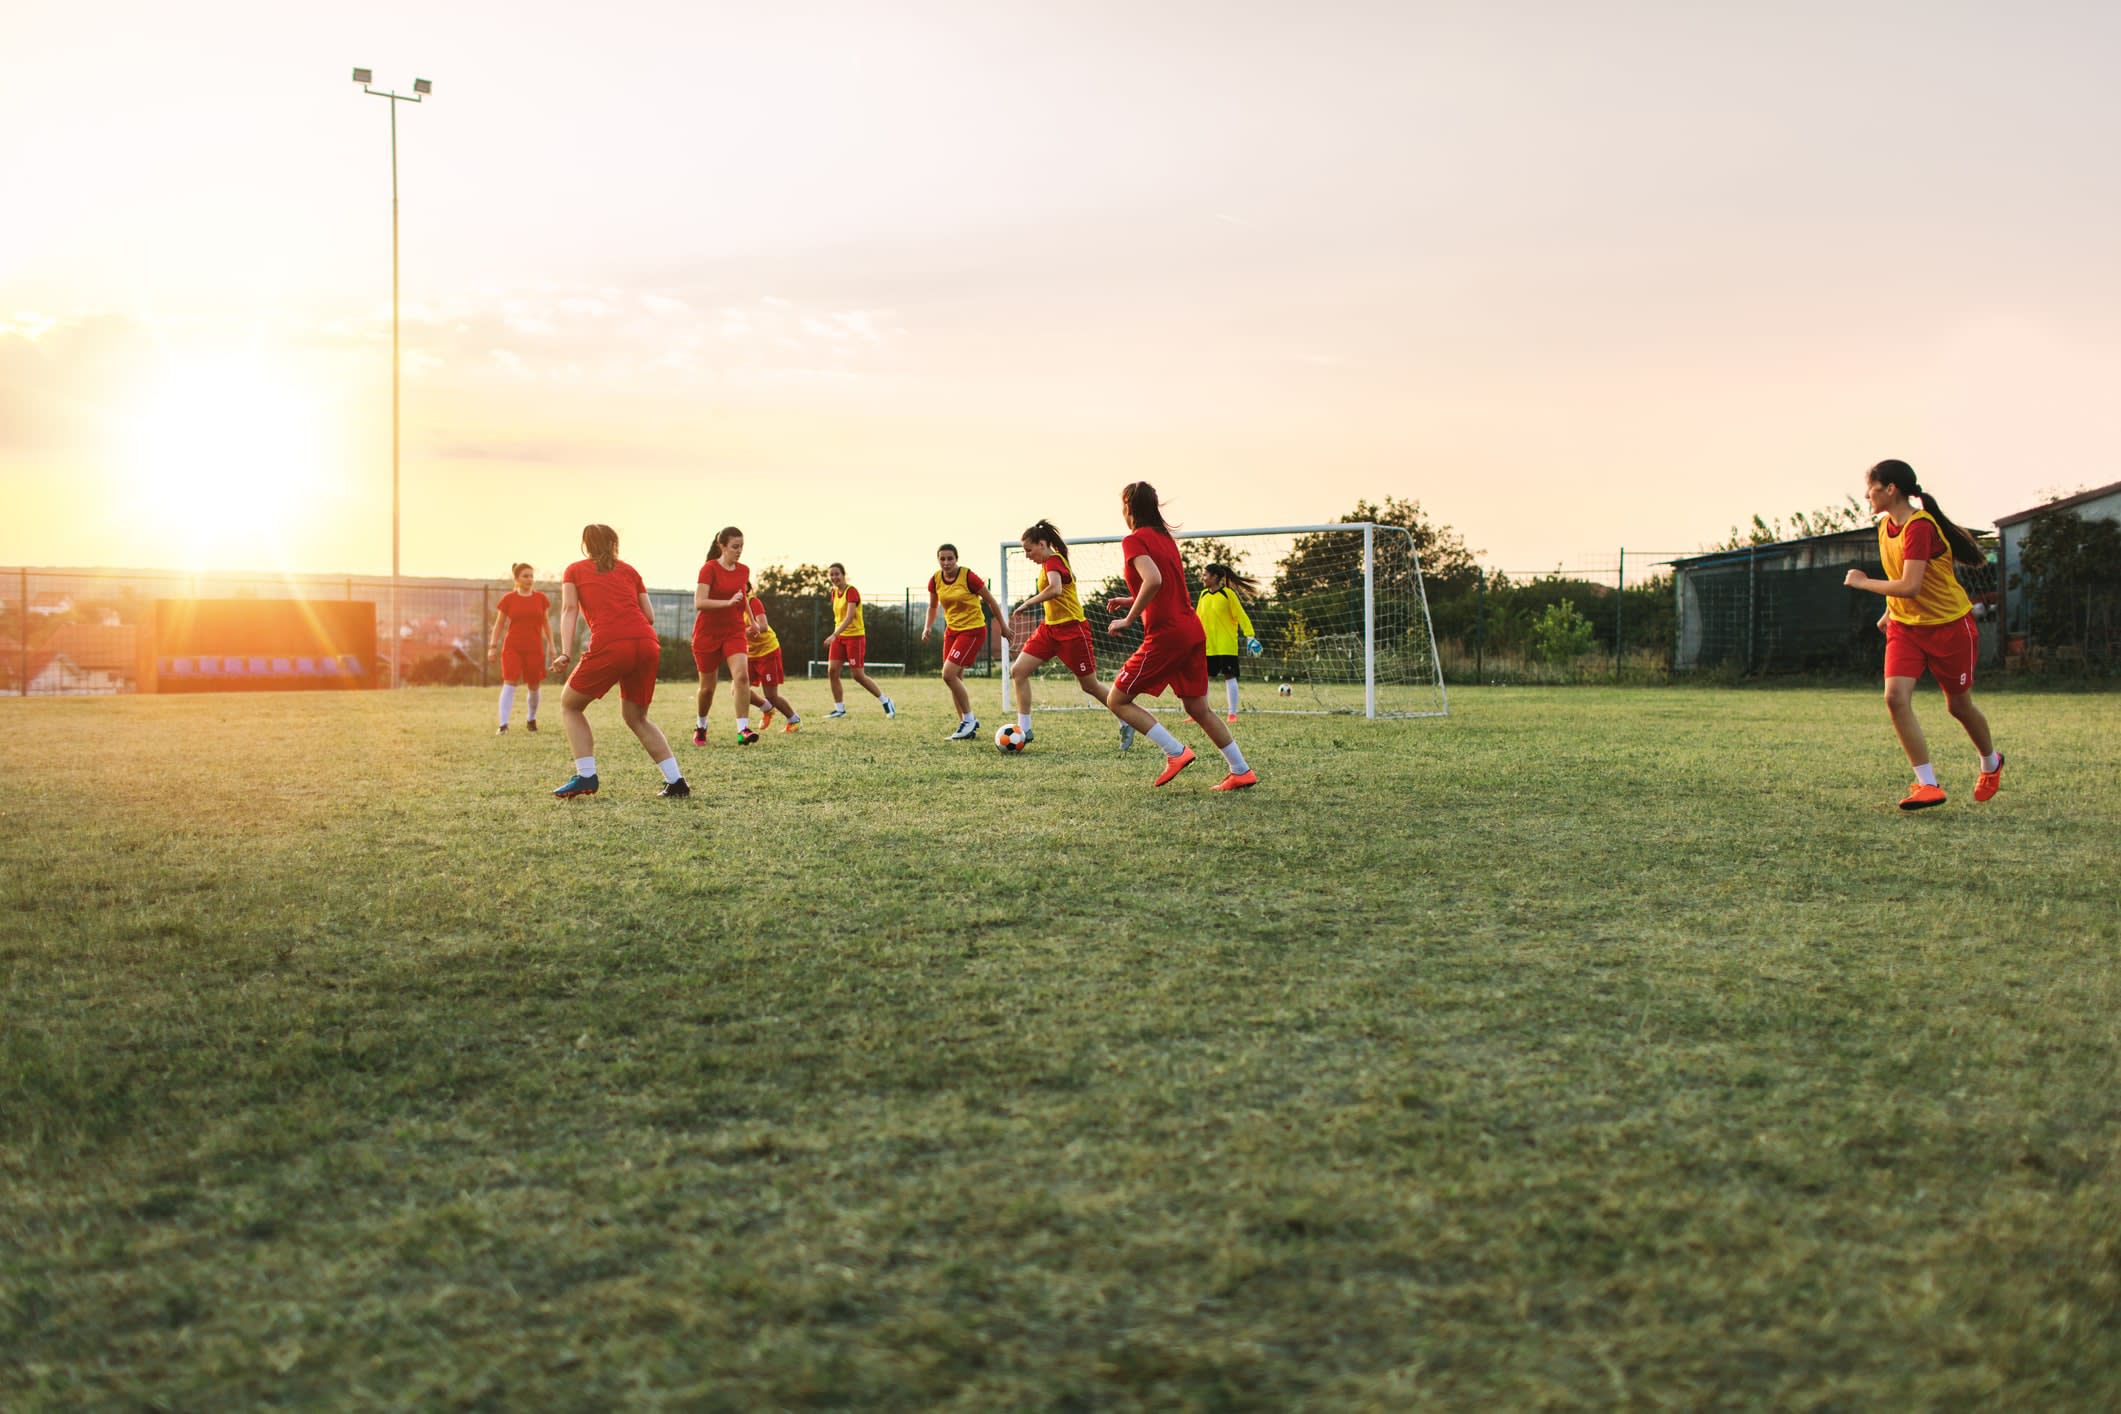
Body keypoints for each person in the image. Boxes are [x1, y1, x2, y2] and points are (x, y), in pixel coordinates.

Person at [1842, 459, 2003, 810]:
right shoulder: (1885, 526)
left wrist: (1862, 583)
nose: (1867, 494)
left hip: (1948, 626)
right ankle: (1927, 784)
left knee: (1958, 706)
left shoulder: (1920, 527)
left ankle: (1991, 762)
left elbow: (1911, 585)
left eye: (1871, 487)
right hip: (1906, 627)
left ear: (1890, 489)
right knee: (1895, 698)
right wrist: (1888, 612)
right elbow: (1900, 575)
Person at [1103, 483, 1258, 790]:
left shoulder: (1133, 540)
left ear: (1128, 507)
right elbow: (1164, 587)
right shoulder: (1164, 539)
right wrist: (1130, 600)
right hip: (1191, 629)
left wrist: (1129, 618)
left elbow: (1155, 580)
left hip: (1167, 635)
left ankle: (1176, 752)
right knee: (1197, 707)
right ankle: (1241, 770)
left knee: (1117, 699)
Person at [550, 524, 688, 798]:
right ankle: (676, 782)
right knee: (636, 717)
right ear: (614, 543)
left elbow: (568, 609)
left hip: (612, 643)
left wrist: (566, 652)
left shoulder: (574, 570)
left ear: (586, 545)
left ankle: (586, 776)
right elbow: (649, 615)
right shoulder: (630, 571)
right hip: (647, 643)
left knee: (570, 705)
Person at [1005, 519, 1112, 743]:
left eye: (1028, 550)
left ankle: (1127, 717)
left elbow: (1055, 589)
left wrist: (1027, 603)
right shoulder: (1048, 565)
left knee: (1089, 685)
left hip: (1072, 630)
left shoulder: (1053, 561)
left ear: (1042, 544)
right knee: (1019, 671)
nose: (1026, 555)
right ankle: (1025, 729)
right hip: (1049, 630)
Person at [921, 542, 1007, 741]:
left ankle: (969, 719)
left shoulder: (968, 576)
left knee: (948, 674)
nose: (946, 562)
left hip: (973, 631)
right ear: (938, 560)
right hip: (952, 632)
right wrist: (927, 627)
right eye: (942, 558)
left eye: (950, 558)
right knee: (954, 679)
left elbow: (991, 601)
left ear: (956, 559)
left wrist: (1003, 626)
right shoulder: (935, 580)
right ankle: (965, 726)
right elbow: (933, 607)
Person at [691, 527, 759, 746]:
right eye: (734, 547)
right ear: (722, 546)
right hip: (707, 633)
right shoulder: (708, 569)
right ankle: (701, 726)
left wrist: (753, 619)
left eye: (742, 547)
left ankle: (743, 730)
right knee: (707, 689)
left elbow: (743, 597)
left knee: (741, 676)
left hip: (734, 630)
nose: (739, 551)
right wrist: (728, 603)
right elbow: (699, 602)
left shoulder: (743, 570)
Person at [486, 561, 553, 734]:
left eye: (531, 576)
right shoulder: (509, 599)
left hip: (534, 648)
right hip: (512, 647)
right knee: (509, 682)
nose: (529, 579)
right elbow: (499, 624)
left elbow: (546, 623)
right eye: (525, 576)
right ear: (516, 579)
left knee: (534, 686)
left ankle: (531, 719)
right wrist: (492, 647)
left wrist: (552, 646)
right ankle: (503, 725)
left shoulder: (540, 599)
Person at [824, 562, 895, 719]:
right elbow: (839, 617)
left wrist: (834, 635)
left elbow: (849, 617)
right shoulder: (834, 593)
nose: (834, 577)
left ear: (843, 575)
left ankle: (886, 701)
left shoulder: (852, 592)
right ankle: (839, 709)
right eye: (832, 575)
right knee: (832, 671)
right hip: (839, 636)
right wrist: (837, 635)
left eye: (837, 574)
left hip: (854, 637)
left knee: (858, 675)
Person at [1196, 563, 1262, 723]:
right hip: (1208, 646)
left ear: (1215, 577)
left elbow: (1241, 615)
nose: (1202, 578)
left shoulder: (1228, 595)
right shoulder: (1203, 594)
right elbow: (1197, 618)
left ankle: (1232, 713)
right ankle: (1199, 713)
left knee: (1229, 676)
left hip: (1226, 645)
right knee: (1203, 678)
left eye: (1205, 575)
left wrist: (1250, 635)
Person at [744, 591, 801, 732]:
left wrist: (740, 632)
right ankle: (767, 708)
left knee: (771, 695)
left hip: (767, 651)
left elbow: (762, 626)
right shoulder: (730, 606)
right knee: (738, 690)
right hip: (749, 653)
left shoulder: (753, 602)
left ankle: (794, 720)